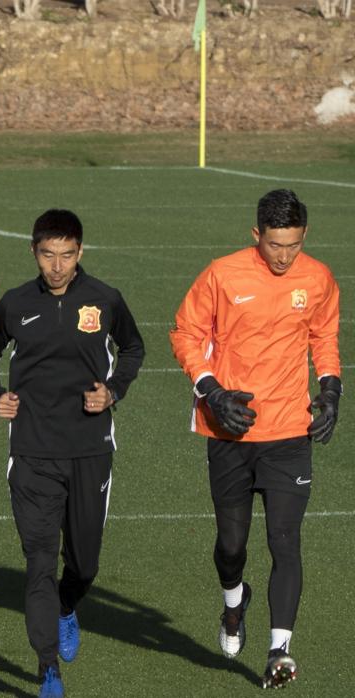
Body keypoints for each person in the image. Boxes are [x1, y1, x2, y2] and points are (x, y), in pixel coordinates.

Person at [169, 189, 340, 690]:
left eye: (293, 244)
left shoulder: (319, 278)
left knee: (285, 540)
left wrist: (330, 389)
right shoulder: (222, 274)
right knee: (231, 545)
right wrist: (211, 391)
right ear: (256, 236)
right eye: (274, 245)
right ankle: (232, 602)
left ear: (303, 236)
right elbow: (184, 332)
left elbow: (323, 337)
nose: (284, 256)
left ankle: (279, 649)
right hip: (230, 430)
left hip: (289, 431)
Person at [0, 209, 144, 698]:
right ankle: (47, 666)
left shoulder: (104, 300)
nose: (57, 265)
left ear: (80, 254)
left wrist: (112, 391)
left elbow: (133, 349)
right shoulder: (15, 303)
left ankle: (69, 605)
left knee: (84, 563)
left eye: (66, 255)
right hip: (31, 453)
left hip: (91, 449)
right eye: (48, 254)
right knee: (39, 561)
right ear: (34, 253)